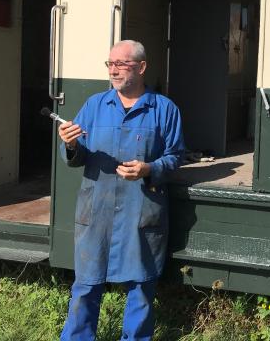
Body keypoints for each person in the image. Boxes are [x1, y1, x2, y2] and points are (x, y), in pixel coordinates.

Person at [58, 39, 184, 340]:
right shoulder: (94, 106)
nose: (113, 70)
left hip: (140, 211)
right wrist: (71, 144)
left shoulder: (164, 110)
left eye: (121, 64)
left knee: (141, 287)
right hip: (96, 210)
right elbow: (77, 158)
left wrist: (149, 169)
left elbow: (176, 157)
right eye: (110, 64)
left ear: (141, 67)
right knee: (86, 286)